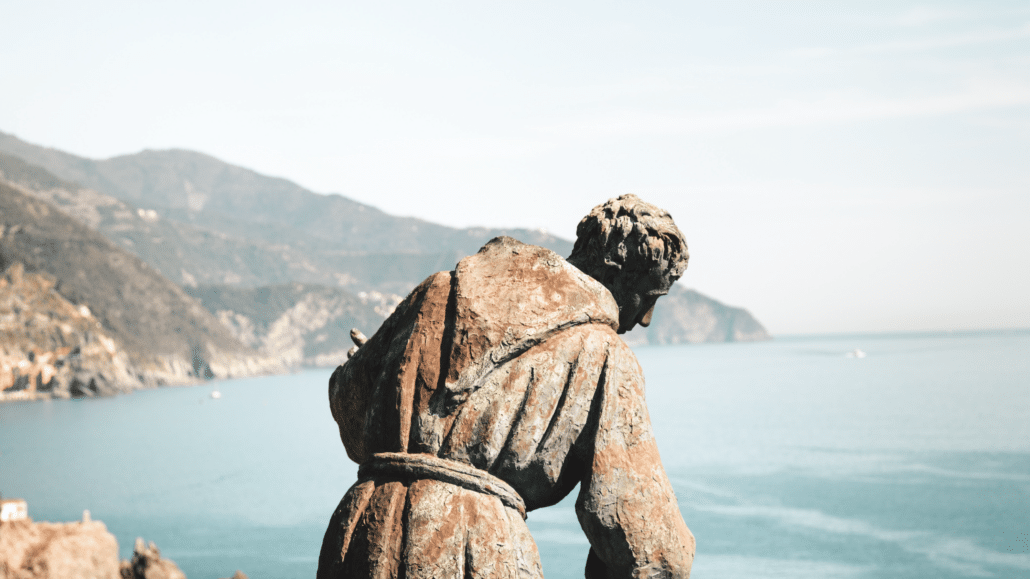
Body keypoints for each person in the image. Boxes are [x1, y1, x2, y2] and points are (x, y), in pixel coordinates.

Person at [318, 194, 695, 579]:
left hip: (360, 537)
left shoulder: (438, 292)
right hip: (473, 549)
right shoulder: (604, 354)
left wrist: (392, 380)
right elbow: (644, 540)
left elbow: (353, 417)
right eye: (649, 297)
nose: (646, 318)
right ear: (616, 272)